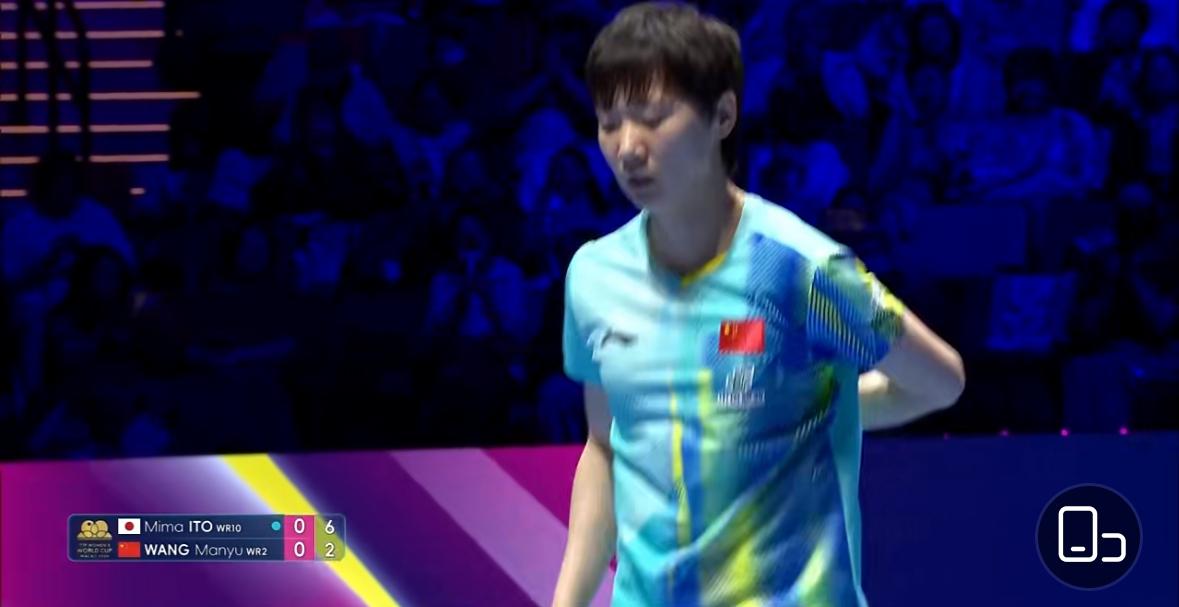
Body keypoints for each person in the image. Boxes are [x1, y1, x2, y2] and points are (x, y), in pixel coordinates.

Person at [551, 4, 965, 607]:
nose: (628, 148)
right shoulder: (594, 275)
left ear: (722, 115)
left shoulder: (805, 269)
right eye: (609, 123)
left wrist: (822, 408)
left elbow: (941, 381)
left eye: (653, 118)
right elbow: (606, 445)